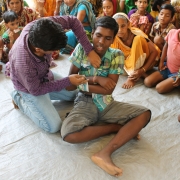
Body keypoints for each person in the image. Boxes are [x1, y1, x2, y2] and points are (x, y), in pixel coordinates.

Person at [61, 16, 151, 177]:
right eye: (98, 35)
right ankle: (115, 127)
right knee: (69, 134)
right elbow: (69, 84)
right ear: (92, 33)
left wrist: (84, 81)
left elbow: (107, 91)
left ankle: (104, 153)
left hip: (107, 103)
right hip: (84, 101)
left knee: (144, 114)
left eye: (108, 38)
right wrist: (96, 79)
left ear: (113, 39)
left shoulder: (116, 55)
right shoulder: (82, 49)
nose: (101, 42)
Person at [9, 15, 101, 133]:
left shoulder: (43, 26)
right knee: (53, 126)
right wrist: (68, 81)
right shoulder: (24, 63)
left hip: (44, 76)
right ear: (38, 49)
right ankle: (18, 97)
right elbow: (36, 90)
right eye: (52, 51)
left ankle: (43, 97)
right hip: (29, 88)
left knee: (76, 94)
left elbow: (73, 21)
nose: (55, 52)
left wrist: (89, 50)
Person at [111, 12, 159, 89]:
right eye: (117, 26)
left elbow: (154, 52)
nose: (119, 30)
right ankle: (136, 73)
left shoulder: (136, 33)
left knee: (138, 39)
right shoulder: (115, 37)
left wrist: (143, 70)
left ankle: (132, 77)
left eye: (123, 26)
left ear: (128, 25)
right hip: (128, 63)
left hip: (146, 61)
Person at [144, 28, 180, 94]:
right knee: (147, 82)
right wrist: (161, 62)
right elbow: (166, 46)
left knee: (159, 88)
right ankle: (169, 80)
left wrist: (179, 75)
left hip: (177, 73)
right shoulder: (172, 32)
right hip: (167, 67)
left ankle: (173, 82)